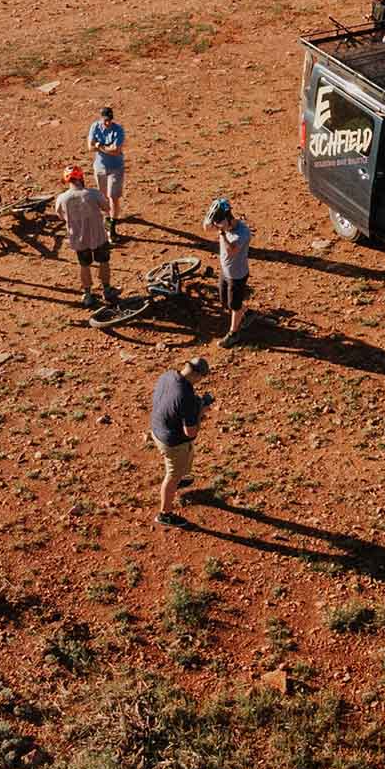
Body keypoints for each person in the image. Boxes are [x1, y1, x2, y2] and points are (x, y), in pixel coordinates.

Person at [150, 356, 212, 528]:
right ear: (198, 376)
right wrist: (201, 411)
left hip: (157, 429)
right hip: (171, 441)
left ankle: (180, 479)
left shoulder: (168, 375)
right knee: (172, 475)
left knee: (186, 456)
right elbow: (191, 432)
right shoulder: (187, 397)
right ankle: (165, 514)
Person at [54, 166, 115, 309]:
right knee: (103, 262)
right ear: (81, 178)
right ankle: (106, 290)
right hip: (98, 236)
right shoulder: (93, 194)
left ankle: (88, 294)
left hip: (78, 238)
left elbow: (60, 214)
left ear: (66, 180)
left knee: (84, 265)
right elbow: (107, 208)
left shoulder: (62, 198)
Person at [203, 196, 252, 349]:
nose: (216, 226)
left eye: (219, 223)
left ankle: (234, 333)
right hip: (225, 271)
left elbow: (232, 252)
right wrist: (213, 221)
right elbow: (206, 227)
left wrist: (222, 233)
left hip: (237, 275)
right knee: (225, 302)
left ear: (229, 219)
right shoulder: (223, 225)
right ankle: (245, 312)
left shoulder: (242, 233)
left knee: (234, 305)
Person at [87, 106, 127, 240]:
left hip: (115, 168)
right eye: (105, 120)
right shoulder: (95, 127)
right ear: (100, 118)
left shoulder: (118, 130)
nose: (107, 123)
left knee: (113, 197)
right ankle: (107, 221)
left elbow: (116, 150)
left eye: (109, 120)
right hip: (100, 168)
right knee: (103, 196)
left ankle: (111, 228)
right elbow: (89, 147)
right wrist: (106, 148)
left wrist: (99, 146)